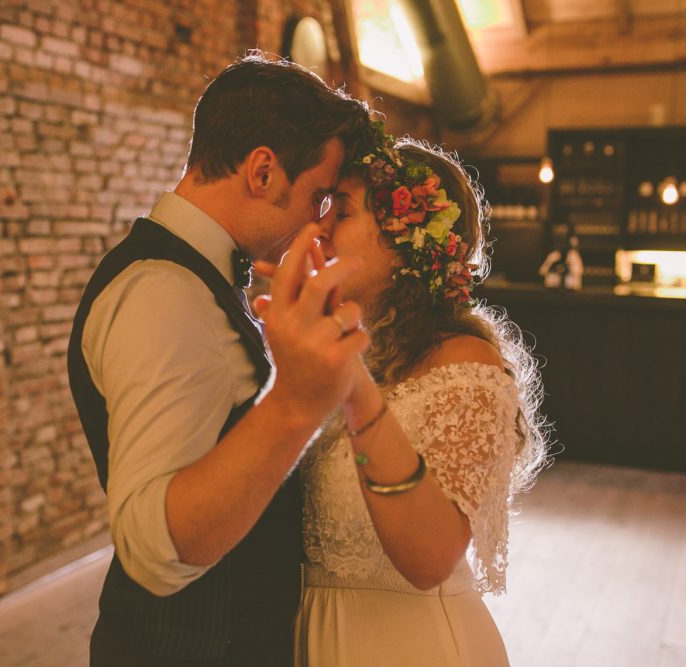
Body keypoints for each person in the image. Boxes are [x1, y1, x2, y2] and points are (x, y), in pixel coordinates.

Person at [66, 54, 372, 666]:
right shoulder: (162, 291)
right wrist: (295, 401)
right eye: (317, 197)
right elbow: (153, 550)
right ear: (263, 171)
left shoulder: (201, 279)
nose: (318, 222)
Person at [263, 125, 548, 665]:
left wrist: (352, 383)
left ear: (403, 238)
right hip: (317, 637)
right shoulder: (353, 349)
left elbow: (431, 557)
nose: (318, 228)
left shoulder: (467, 366)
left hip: (412, 645)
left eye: (340, 212)